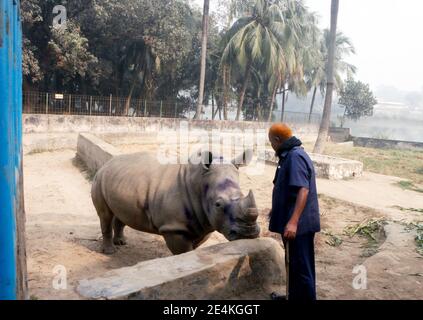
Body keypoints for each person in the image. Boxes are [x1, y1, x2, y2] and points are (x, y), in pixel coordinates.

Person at [268, 123, 320, 301]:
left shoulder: (295, 157)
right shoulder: (289, 155)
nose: (272, 146)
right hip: (294, 222)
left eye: (271, 142)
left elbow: (303, 190)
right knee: (293, 263)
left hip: (299, 225)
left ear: (277, 139)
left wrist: (293, 222)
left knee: (301, 267)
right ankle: (293, 296)